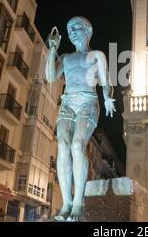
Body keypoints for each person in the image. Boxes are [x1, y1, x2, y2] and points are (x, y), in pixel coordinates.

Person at [44, 16, 116, 222]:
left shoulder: (97, 55)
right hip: (68, 103)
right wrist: (52, 49)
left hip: (88, 102)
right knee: (63, 145)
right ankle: (66, 203)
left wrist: (108, 98)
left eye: (77, 27)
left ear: (88, 30)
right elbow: (50, 77)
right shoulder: (65, 57)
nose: (72, 31)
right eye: (69, 29)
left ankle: (78, 203)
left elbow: (105, 81)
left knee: (77, 145)